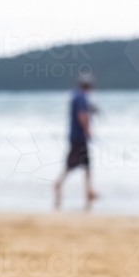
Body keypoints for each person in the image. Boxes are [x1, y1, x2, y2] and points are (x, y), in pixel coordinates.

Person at [54, 74, 98, 211]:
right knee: (73, 165)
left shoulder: (76, 96)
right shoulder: (81, 97)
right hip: (79, 137)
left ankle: (89, 192)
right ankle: (58, 184)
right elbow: (81, 115)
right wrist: (88, 131)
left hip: (75, 136)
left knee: (86, 165)